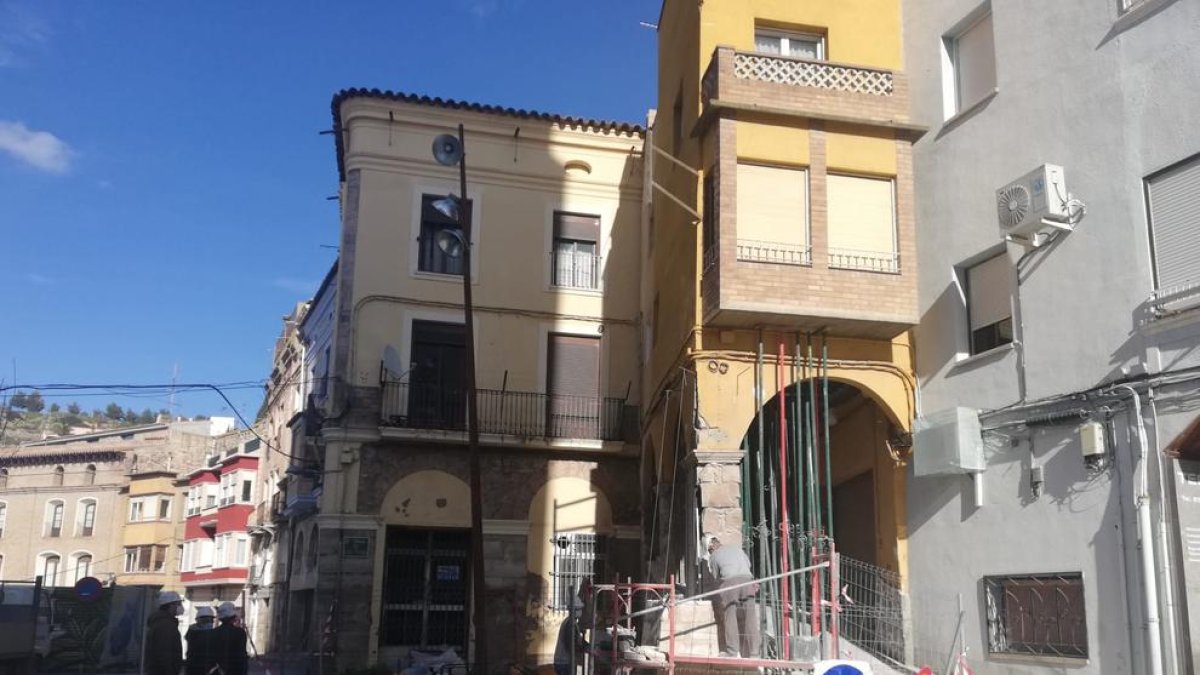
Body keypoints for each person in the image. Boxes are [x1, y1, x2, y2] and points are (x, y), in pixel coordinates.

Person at [706, 536, 761, 658]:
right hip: (748, 580)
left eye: (710, 551)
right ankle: (754, 653)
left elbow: (716, 577)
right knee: (750, 617)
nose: (710, 553)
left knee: (729, 616)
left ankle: (732, 652)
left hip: (730, 583)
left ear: (712, 548)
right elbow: (748, 564)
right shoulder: (736, 549)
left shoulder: (714, 555)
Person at [145, 590, 184, 675]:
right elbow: (164, 654)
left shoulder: (163, 622)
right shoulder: (166, 625)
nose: (181, 607)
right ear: (171, 605)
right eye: (178, 604)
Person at [211, 602, 248, 675]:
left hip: (218, 671)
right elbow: (242, 657)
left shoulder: (213, 633)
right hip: (236, 671)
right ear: (233, 616)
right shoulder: (240, 632)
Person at [184, 606, 217, 675]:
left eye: (211, 620)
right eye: (207, 620)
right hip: (199, 669)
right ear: (199, 620)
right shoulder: (197, 634)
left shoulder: (192, 632)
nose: (210, 622)